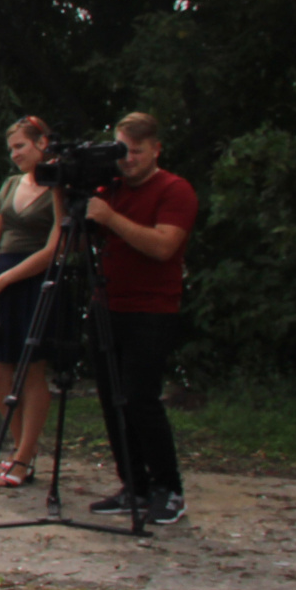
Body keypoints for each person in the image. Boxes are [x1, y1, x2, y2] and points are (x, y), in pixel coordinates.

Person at [85, 112, 198, 525]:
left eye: (136, 151)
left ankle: (168, 488)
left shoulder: (174, 190)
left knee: (140, 398)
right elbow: (77, 239)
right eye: (121, 151)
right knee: (112, 398)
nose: (127, 159)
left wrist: (111, 218)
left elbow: (164, 247)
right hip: (106, 305)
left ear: (156, 149)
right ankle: (134, 484)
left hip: (151, 309)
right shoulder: (109, 190)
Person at [0, 116, 64, 487]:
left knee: (30, 370)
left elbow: (55, 246)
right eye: (11, 149)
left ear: (42, 143)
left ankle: (25, 456)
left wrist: (6, 279)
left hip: (33, 281)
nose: (14, 154)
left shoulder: (58, 186)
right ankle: (18, 446)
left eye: (20, 146)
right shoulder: (10, 185)